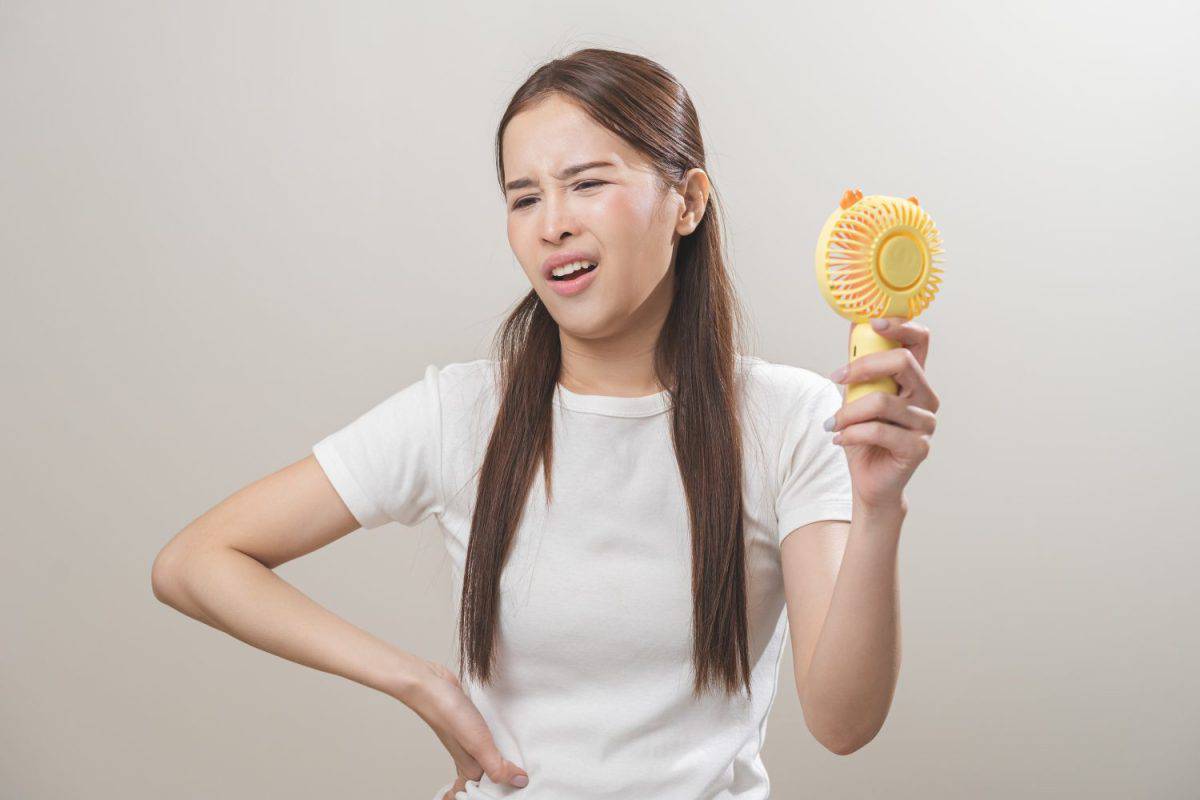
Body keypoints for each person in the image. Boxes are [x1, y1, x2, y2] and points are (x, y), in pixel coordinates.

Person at [151, 48, 939, 800]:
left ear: (688, 202)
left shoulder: (789, 420)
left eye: (587, 183)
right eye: (524, 196)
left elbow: (842, 724)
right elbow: (194, 561)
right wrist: (415, 681)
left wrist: (878, 510)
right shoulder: (462, 414)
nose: (551, 224)